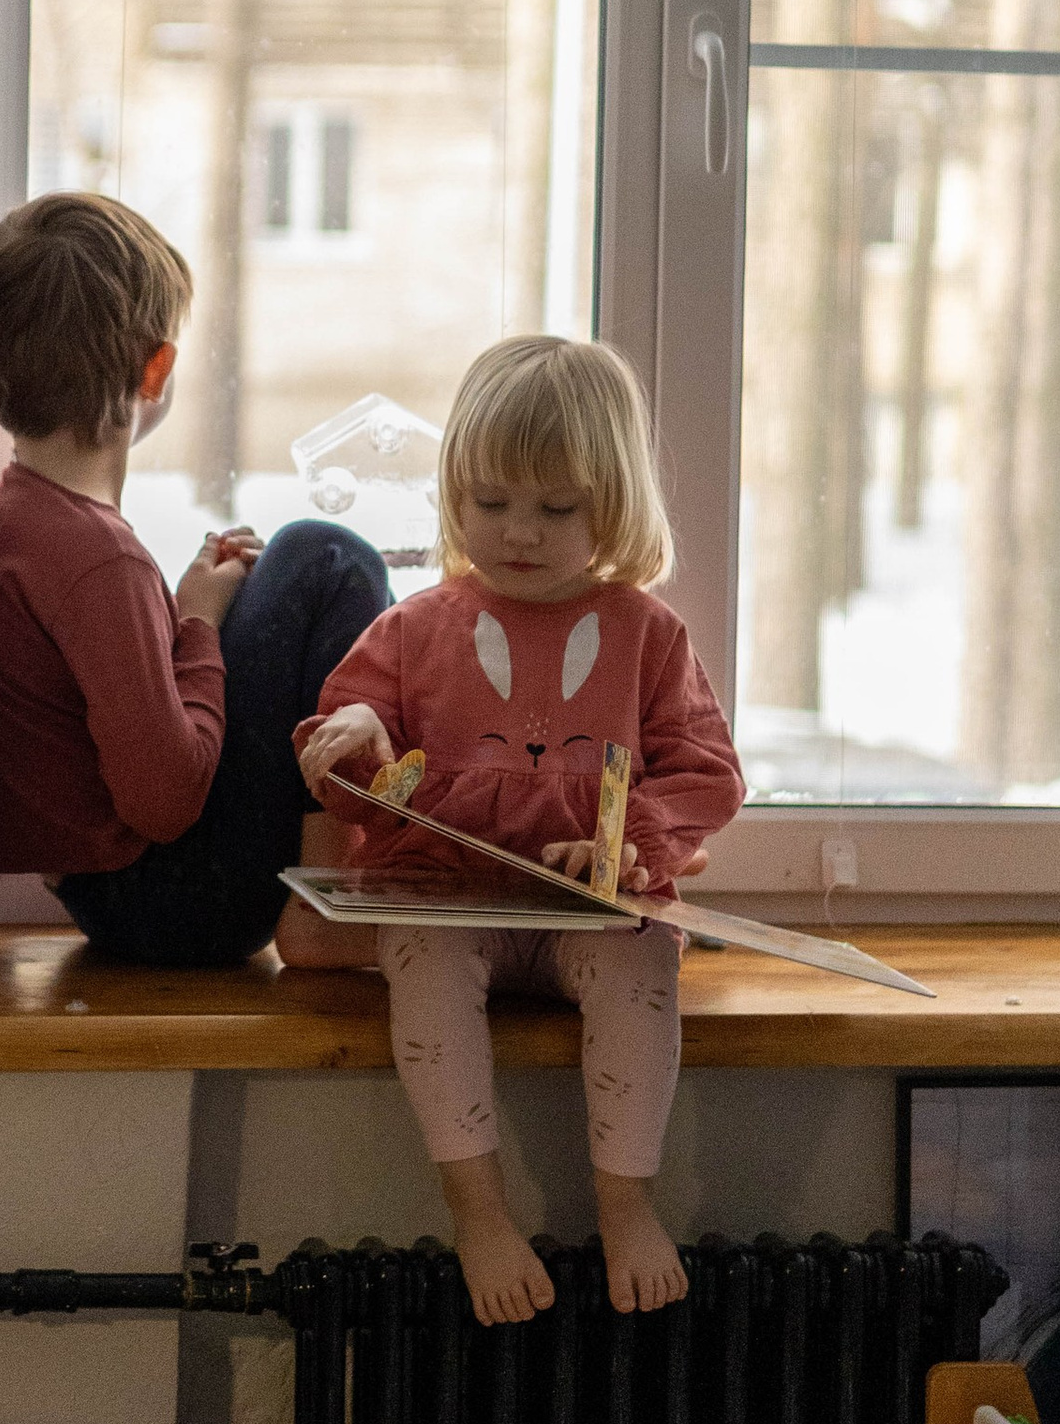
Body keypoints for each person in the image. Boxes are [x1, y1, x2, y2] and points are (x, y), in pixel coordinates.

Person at [294, 334, 744, 1327]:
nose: (519, 533)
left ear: (612, 505)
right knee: (424, 966)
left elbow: (707, 774)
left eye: (557, 508)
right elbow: (356, 775)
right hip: (448, 908)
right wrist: (356, 735)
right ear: (453, 494)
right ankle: (479, 1212)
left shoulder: (647, 635)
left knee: (642, 966)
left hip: (593, 916)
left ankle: (625, 1205)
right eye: (490, 502)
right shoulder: (415, 628)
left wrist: (630, 844)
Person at [0, 194, 390, 969]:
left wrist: (178, 618)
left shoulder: (4, 524)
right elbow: (166, 802)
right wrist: (196, 621)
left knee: (290, 570)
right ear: (156, 368)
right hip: (177, 898)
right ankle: (327, 905)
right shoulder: (102, 560)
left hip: (106, 897)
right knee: (326, 559)